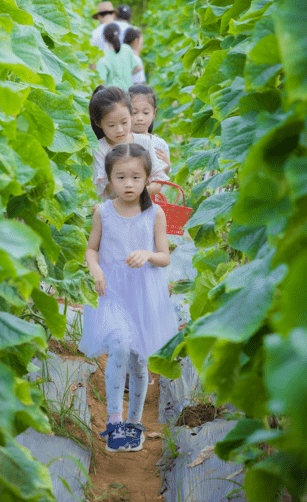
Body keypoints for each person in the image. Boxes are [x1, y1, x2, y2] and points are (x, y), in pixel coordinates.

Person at [79, 143, 178, 452]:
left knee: (138, 359)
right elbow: (91, 248)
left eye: (136, 177)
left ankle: (134, 424)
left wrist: (148, 254)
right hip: (111, 291)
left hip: (143, 292)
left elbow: (164, 257)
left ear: (147, 177)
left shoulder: (155, 213)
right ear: (109, 179)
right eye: (120, 177)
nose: (128, 184)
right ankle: (114, 422)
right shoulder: (103, 212)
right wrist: (95, 269)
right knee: (120, 344)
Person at [88, 85, 168, 202]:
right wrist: (141, 189)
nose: (119, 130)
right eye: (111, 125)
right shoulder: (100, 147)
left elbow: (158, 181)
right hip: (115, 211)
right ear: (99, 124)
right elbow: (110, 190)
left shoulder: (144, 142)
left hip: (143, 209)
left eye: (124, 122)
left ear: (131, 115)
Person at [129, 85, 171, 176]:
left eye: (145, 113)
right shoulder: (121, 142)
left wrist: (167, 167)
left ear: (154, 113)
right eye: (134, 112)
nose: (140, 118)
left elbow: (162, 180)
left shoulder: (160, 145)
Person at [96, 24, 142, 93]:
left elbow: (102, 83)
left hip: (113, 97)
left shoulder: (103, 58)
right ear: (119, 34)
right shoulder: (127, 49)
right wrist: (128, 74)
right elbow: (139, 67)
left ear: (104, 37)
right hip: (128, 94)